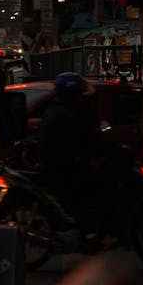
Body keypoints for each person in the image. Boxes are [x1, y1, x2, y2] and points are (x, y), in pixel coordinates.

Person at [37, 71, 110, 226]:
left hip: (61, 163)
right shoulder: (67, 115)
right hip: (65, 166)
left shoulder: (58, 110)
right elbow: (88, 137)